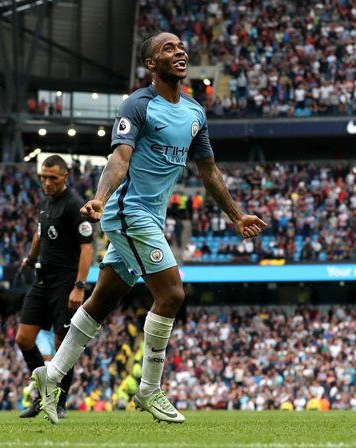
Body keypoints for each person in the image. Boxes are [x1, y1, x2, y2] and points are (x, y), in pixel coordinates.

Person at [29, 31, 267, 424]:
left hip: (151, 217)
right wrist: (101, 198)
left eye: (181, 46)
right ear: (151, 64)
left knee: (102, 301)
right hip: (128, 211)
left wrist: (236, 215)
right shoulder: (137, 104)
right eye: (167, 48)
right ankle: (149, 390)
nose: (180, 51)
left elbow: (207, 171)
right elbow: (119, 159)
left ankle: (50, 375)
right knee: (172, 294)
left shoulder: (194, 113)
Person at [17, 155, 93, 419]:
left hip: (66, 282)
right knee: (23, 338)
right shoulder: (44, 203)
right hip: (43, 280)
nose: (47, 183)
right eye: (43, 178)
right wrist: (31, 258)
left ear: (65, 176)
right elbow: (39, 234)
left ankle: (59, 402)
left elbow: (87, 248)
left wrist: (79, 287)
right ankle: (43, 394)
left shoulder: (74, 206)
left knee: (63, 346)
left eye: (53, 178)